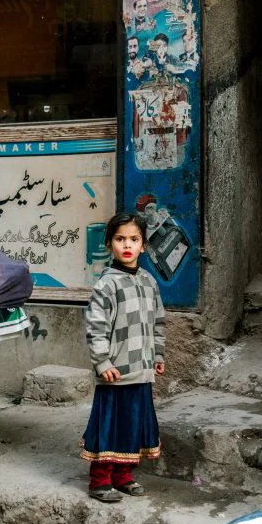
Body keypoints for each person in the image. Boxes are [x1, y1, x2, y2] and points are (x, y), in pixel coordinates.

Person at [80, 212, 166, 502]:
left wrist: (158, 354)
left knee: (133, 423)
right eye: (120, 239)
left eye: (134, 239)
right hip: (115, 371)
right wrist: (102, 361)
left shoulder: (149, 282)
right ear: (109, 244)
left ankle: (123, 476)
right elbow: (96, 327)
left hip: (142, 368)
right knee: (110, 424)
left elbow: (158, 322)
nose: (127, 245)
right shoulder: (106, 285)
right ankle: (100, 480)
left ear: (143, 246)